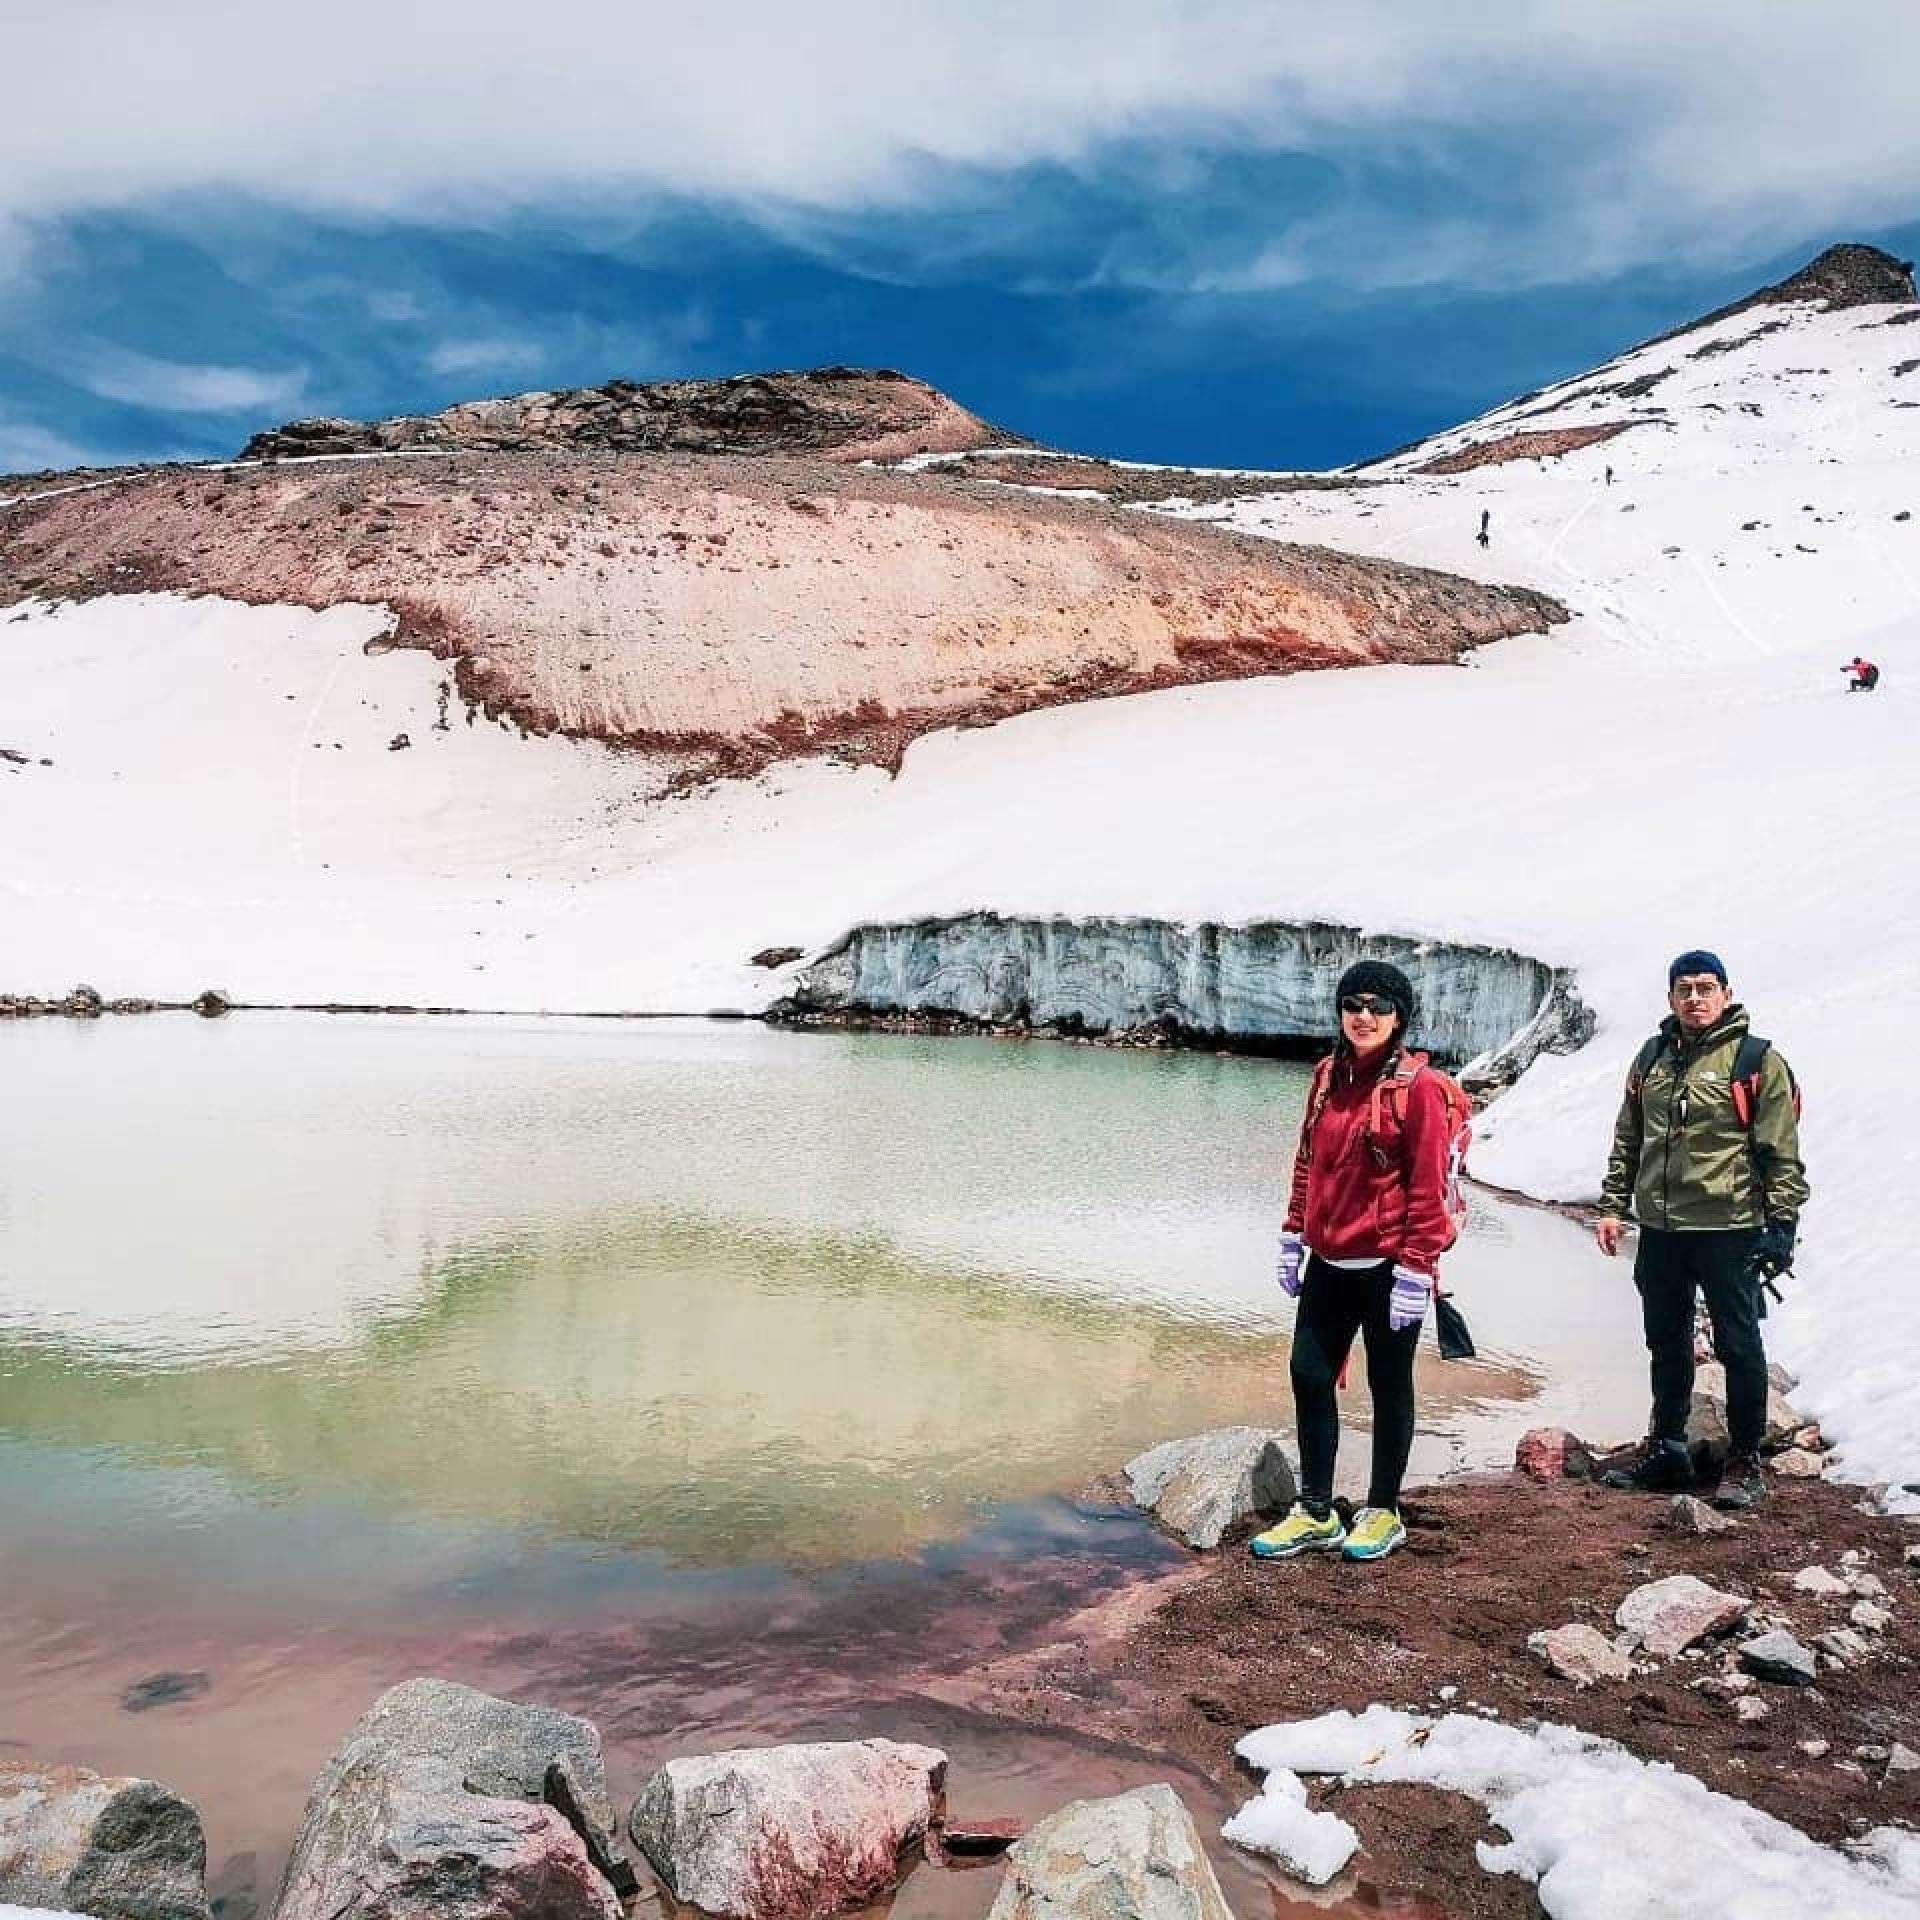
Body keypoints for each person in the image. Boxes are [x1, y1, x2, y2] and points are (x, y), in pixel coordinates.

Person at [1252, 960, 1453, 1564]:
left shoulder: (1420, 1089)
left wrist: (1418, 1267)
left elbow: (1427, 1184)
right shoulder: (1326, 1076)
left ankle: (1383, 1510)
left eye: (1379, 1006)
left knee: (1389, 1386)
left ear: (1399, 1017)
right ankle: (1316, 1510)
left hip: (1390, 1268)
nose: (1364, 1016)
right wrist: (1295, 1231)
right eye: (1352, 1004)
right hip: (1330, 1262)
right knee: (1309, 1374)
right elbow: (1308, 1160)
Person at [1594, 951, 1808, 1509]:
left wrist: (1782, 1223)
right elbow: (1629, 1137)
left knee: (1739, 1344)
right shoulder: (1652, 1056)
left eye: (1705, 987)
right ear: (1670, 998)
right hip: (1662, 1228)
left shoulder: (1757, 1061)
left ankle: (1744, 1461)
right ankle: (1667, 1447)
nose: (1694, 998)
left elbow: (1779, 1151)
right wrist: (1614, 1206)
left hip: (1729, 1226)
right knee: (1665, 1341)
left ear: (1726, 994)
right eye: (1684, 988)